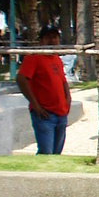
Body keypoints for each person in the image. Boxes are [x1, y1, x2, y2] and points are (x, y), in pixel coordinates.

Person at [15, 21, 71, 155]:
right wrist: (35, 105)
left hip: (61, 114)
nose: (52, 40)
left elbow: (63, 81)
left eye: (54, 37)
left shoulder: (56, 58)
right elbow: (21, 79)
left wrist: (68, 98)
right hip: (45, 115)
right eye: (48, 37)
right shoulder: (33, 57)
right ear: (41, 41)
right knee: (46, 153)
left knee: (57, 154)